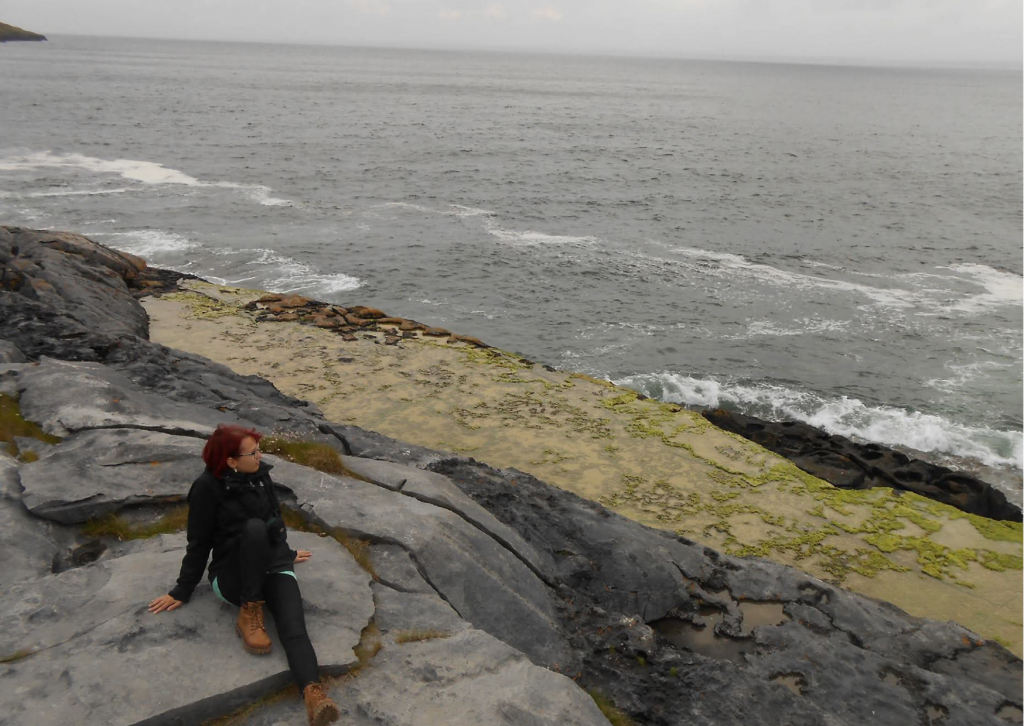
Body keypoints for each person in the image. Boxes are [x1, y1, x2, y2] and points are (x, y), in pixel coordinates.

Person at [148, 424, 340, 726]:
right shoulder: (206, 488)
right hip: (232, 576)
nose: (260, 456)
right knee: (251, 529)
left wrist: (287, 555)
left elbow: (274, 520)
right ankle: (250, 611)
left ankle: (314, 697)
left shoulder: (261, 475)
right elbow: (198, 543)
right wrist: (181, 590)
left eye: (258, 450)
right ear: (231, 461)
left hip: (272, 565)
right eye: (253, 453)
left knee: (293, 626)